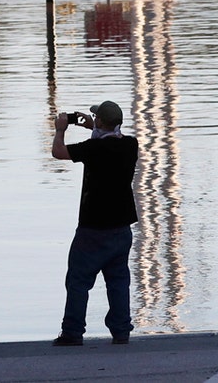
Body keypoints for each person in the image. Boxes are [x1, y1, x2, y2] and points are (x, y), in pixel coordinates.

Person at [50, 100, 139, 346]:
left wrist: (60, 129)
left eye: (96, 117)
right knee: (118, 280)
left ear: (100, 121)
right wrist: (93, 127)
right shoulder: (131, 145)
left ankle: (72, 332)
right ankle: (121, 332)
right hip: (121, 228)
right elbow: (110, 142)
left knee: (78, 280)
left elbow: (59, 152)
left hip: (93, 229)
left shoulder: (93, 149)